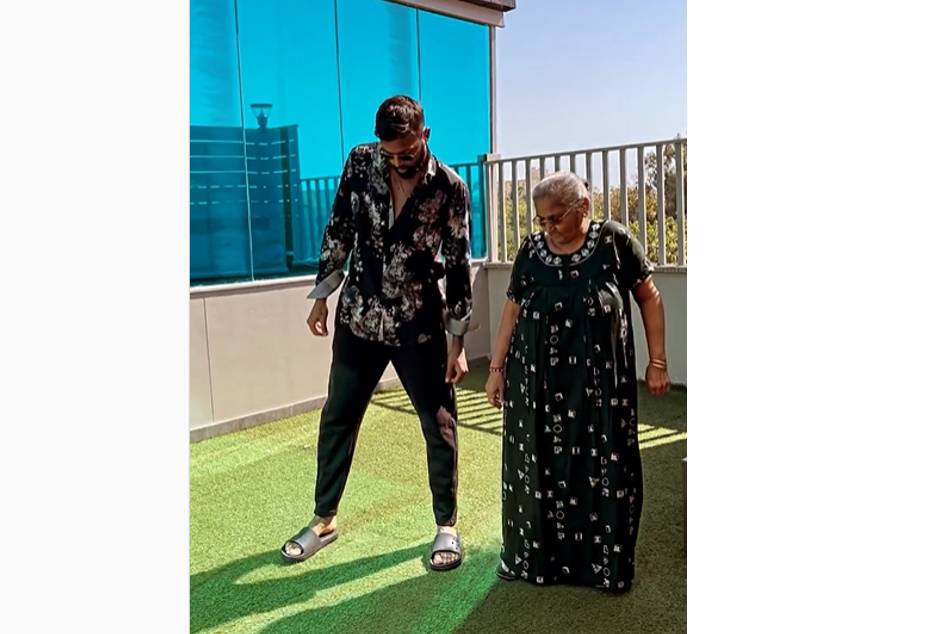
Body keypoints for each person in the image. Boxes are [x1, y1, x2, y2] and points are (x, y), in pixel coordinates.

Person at [281, 95, 472, 571]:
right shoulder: (360, 163)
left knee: (439, 423)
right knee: (338, 416)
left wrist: (458, 341)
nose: (398, 161)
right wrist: (322, 295)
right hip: (359, 318)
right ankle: (324, 519)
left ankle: (446, 526)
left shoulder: (450, 187)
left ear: (425, 136)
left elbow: (458, 264)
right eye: (390, 153)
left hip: (418, 324)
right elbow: (339, 227)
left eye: (407, 152)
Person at [485, 171, 671, 591]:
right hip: (535, 385)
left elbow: (649, 296)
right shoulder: (530, 250)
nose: (547, 227)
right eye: (541, 220)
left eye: (555, 218)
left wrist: (657, 360)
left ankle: (604, 565)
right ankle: (531, 558)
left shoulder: (614, 242)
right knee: (536, 465)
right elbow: (512, 309)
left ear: (583, 207)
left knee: (604, 463)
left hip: (601, 388)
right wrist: (496, 370)